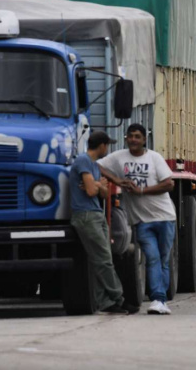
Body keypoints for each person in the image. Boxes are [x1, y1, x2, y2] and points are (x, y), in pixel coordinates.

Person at [99, 124, 177, 315]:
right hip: (142, 222)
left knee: (163, 260)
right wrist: (116, 180)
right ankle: (158, 299)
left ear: (144, 140)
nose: (133, 139)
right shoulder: (119, 157)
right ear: (126, 138)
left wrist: (141, 191)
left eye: (137, 136)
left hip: (165, 217)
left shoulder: (154, 158)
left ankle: (161, 301)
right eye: (130, 136)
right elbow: (96, 165)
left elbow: (169, 184)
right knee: (152, 258)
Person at [69, 131, 130, 315]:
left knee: (101, 260)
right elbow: (89, 191)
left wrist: (99, 185)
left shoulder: (94, 165)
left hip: (96, 214)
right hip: (86, 215)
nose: (108, 149)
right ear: (102, 145)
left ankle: (104, 302)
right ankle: (119, 298)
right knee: (103, 260)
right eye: (107, 145)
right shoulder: (83, 161)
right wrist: (97, 185)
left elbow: (103, 193)